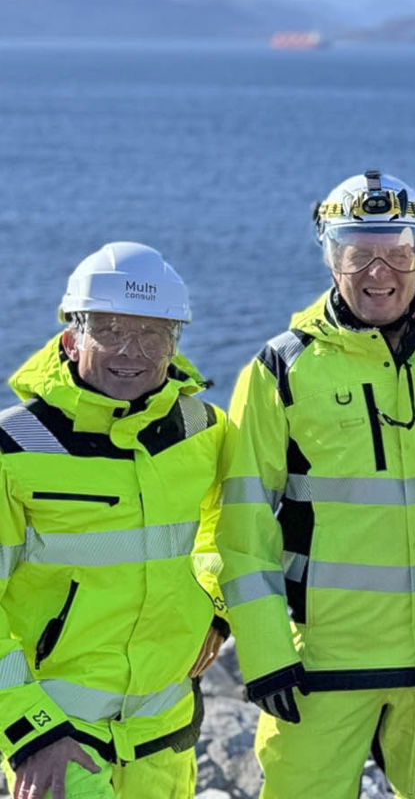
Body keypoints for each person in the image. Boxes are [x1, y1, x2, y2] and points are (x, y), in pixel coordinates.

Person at [218, 171, 415, 799]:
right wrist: (264, 653)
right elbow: (238, 523)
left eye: (398, 252)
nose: (378, 273)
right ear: (331, 257)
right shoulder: (280, 371)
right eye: (357, 253)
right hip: (319, 670)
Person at [0, 242, 227, 799]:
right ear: (72, 332)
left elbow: (233, 528)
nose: (133, 352)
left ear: (176, 341)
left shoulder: (205, 429)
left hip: (165, 734)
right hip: (60, 737)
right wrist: (29, 732)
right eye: (110, 330)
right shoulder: (14, 446)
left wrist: (215, 607)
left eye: (153, 334)